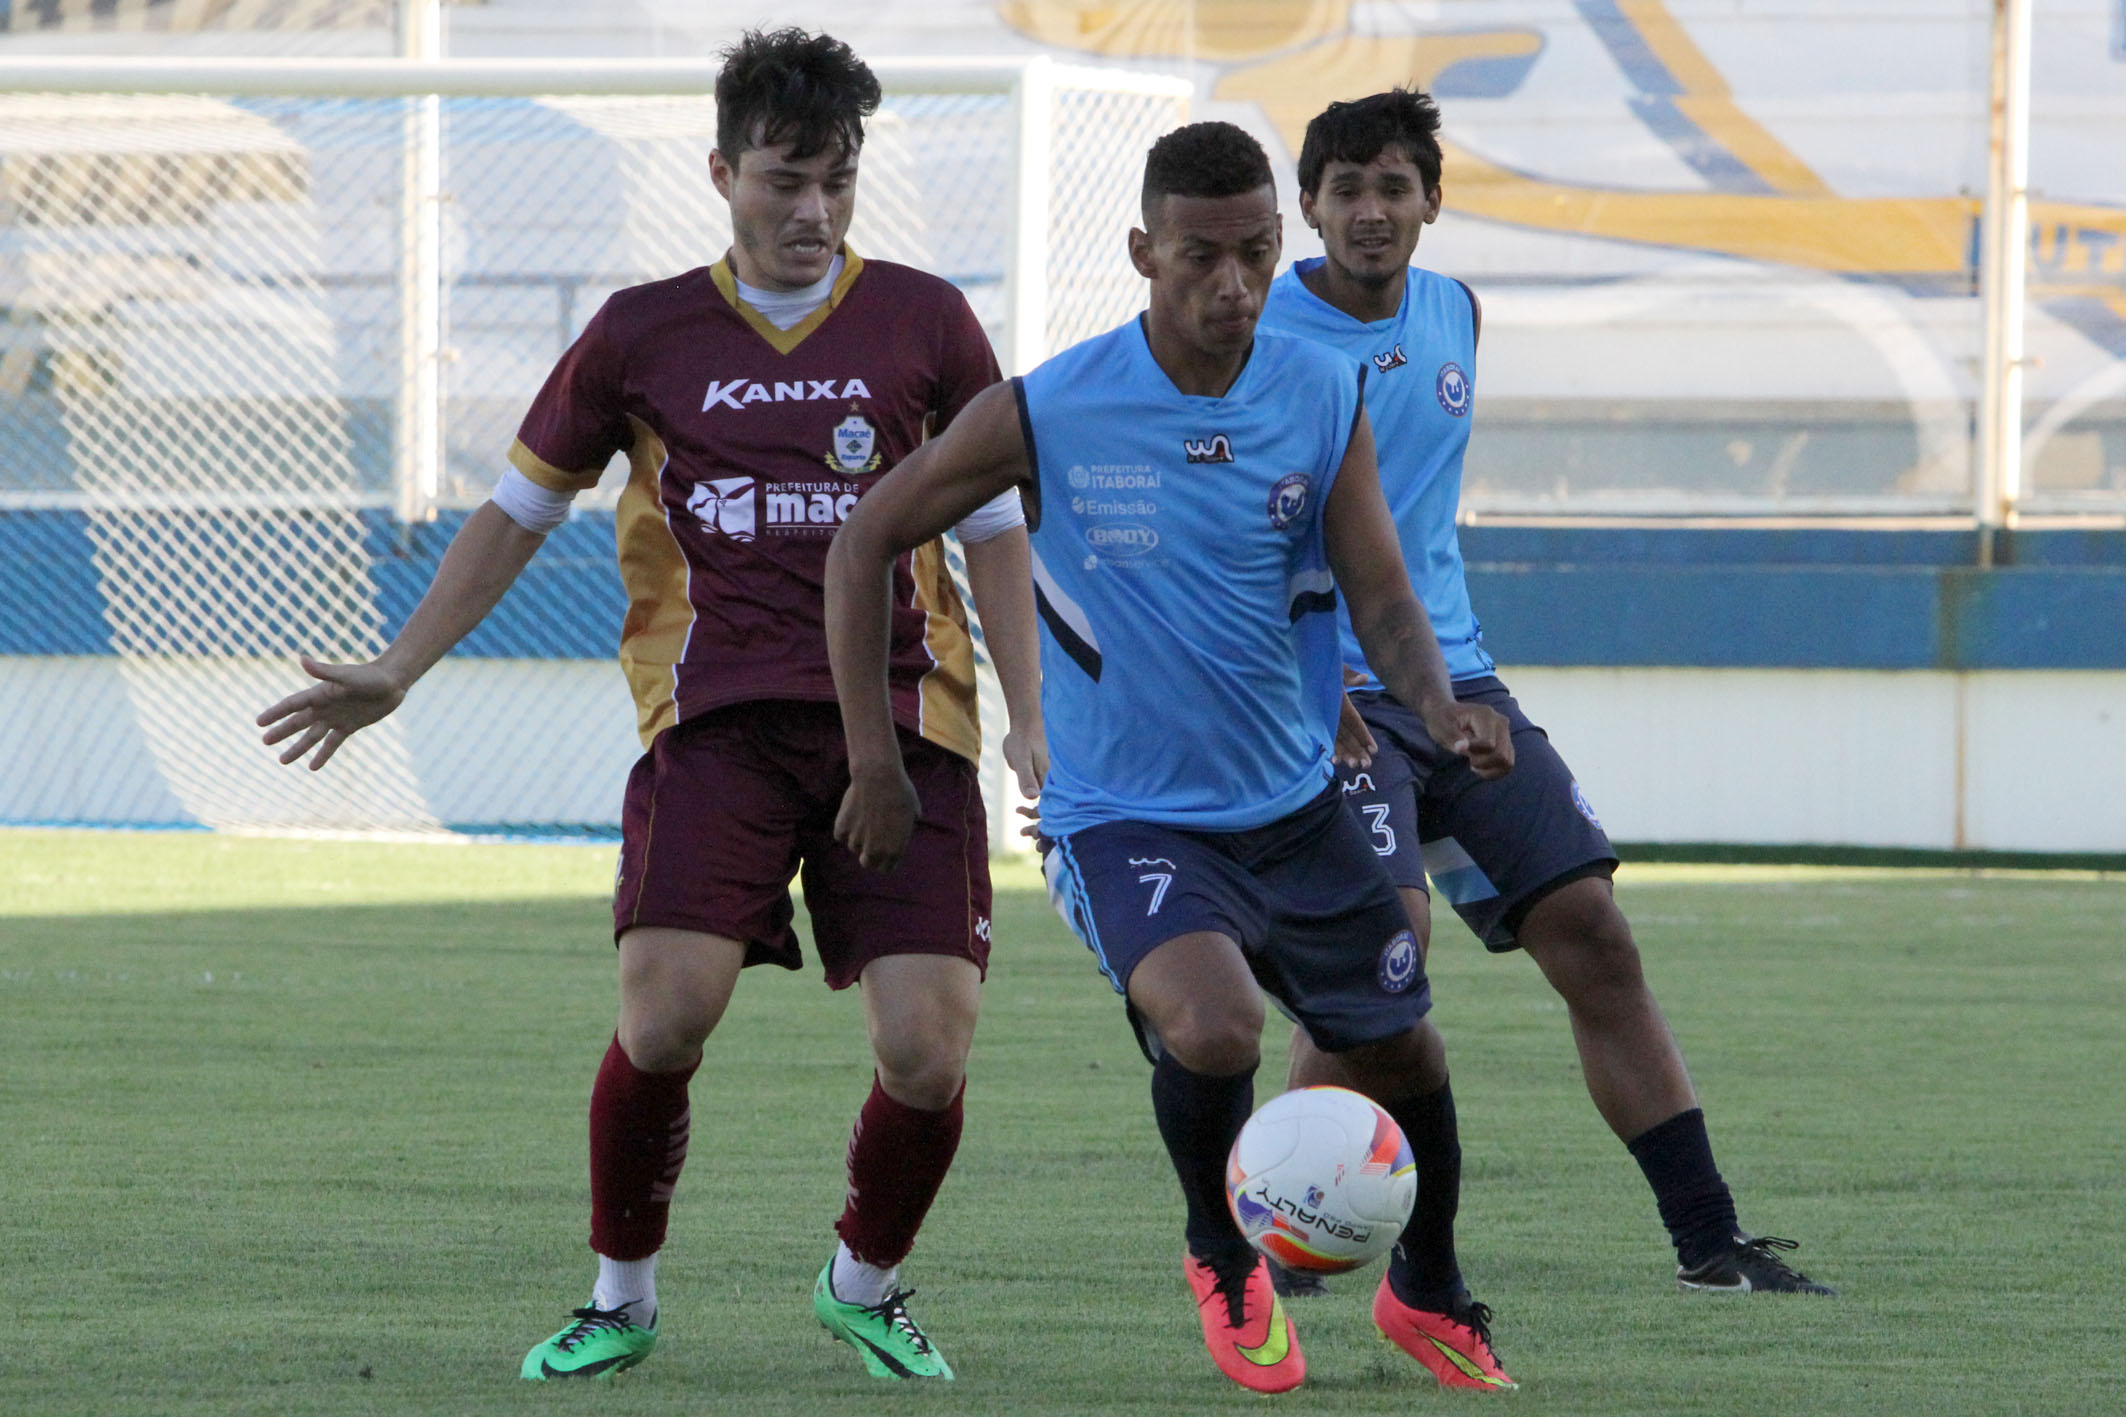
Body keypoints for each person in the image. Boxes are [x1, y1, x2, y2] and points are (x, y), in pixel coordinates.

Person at [256, 28, 1046, 1383]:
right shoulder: (640, 333)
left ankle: (864, 1279)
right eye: (785, 180)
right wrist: (399, 666)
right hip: (716, 726)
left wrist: (1032, 719)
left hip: (907, 733)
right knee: (663, 1014)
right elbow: (517, 513)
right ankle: (620, 1296)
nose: (812, 213)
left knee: (926, 1048)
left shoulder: (925, 320)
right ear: (722, 170)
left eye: (838, 184)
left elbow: (997, 529)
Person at [825, 120, 1520, 1395]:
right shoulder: (1052, 406)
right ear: (1143, 250)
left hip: (1297, 802)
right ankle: (1224, 1255)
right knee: (1214, 1026)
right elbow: (863, 539)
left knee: (1406, 1049)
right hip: (1125, 817)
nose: (1235, 287)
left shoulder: (1318, 391)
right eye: (1201, 256)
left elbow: (1380, 590)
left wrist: (1438, 698)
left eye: (1256, 254)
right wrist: (874, 755)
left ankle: (1427, 1289)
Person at [1256, 88, 1832, 1297]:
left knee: (1595, 937)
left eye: (1392, 189)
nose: (1369, 213)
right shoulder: (1255, 339)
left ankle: (1709, 1243)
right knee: (1380, 962)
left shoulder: (1456, 310)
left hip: (1456, 682)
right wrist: (1297, 683)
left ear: (1429, 202)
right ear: (1305, 204)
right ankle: (1285, 1248)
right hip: (1326, 699)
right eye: (1344, 190)